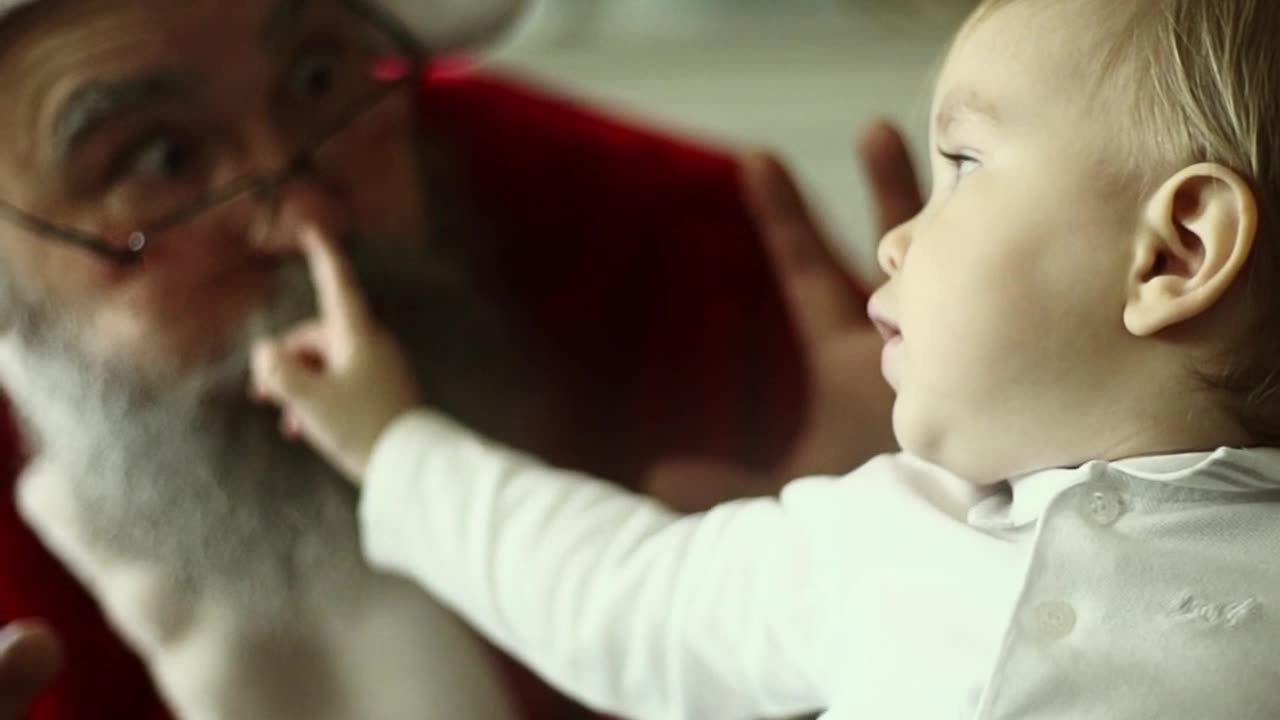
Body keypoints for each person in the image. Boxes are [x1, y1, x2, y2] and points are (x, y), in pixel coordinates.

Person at [252, 0, 1280, 717]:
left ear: (1171, 252)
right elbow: (618, 592)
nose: (895, 241)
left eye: (962, 165)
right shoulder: (880, 534)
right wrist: (394, 445)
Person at [0, 0, 921, 717]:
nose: (311, 221)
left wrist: (896, 555)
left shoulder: (669, 246)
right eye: (158, 158)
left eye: (319, 75)